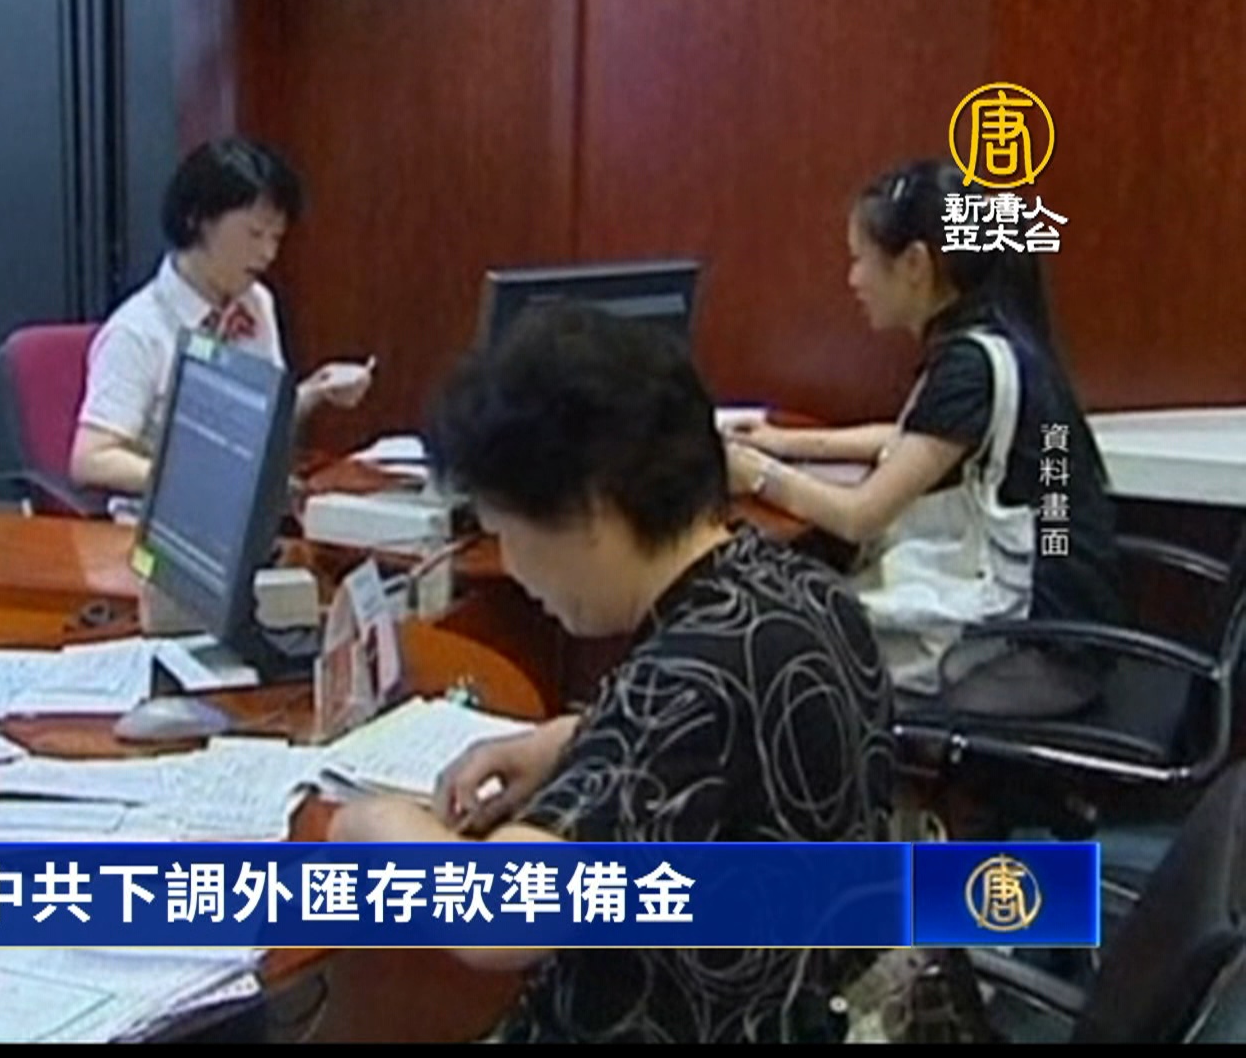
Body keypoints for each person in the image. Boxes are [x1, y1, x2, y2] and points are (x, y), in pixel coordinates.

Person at [329, 304, 895, 1044]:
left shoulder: (686, 681)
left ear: (591, 510)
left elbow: (501, 921)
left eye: (504, 533)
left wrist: (374, 823)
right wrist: (573, 739)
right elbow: (725, 749)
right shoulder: (801, 588)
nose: (512, 567)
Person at [724, 158, 1122, 705]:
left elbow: (860, 516)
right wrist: (784, 442)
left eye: (860, 259)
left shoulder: (970, 366)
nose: (853, 280)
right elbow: (915, 437)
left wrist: (754, 474)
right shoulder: (1000, 342)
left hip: (1038, 652)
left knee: (798, 651)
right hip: (1069, 618)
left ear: (915, 263)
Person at [70, 136, 373, 498]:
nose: (268, 253)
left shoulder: (256, 302)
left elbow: (255, 427)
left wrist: (315, 391)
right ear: (197, 219)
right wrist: (193, 479)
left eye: (276, 237)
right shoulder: (138, 330)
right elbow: (91, 459)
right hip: (166, 514)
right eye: (254, 234)